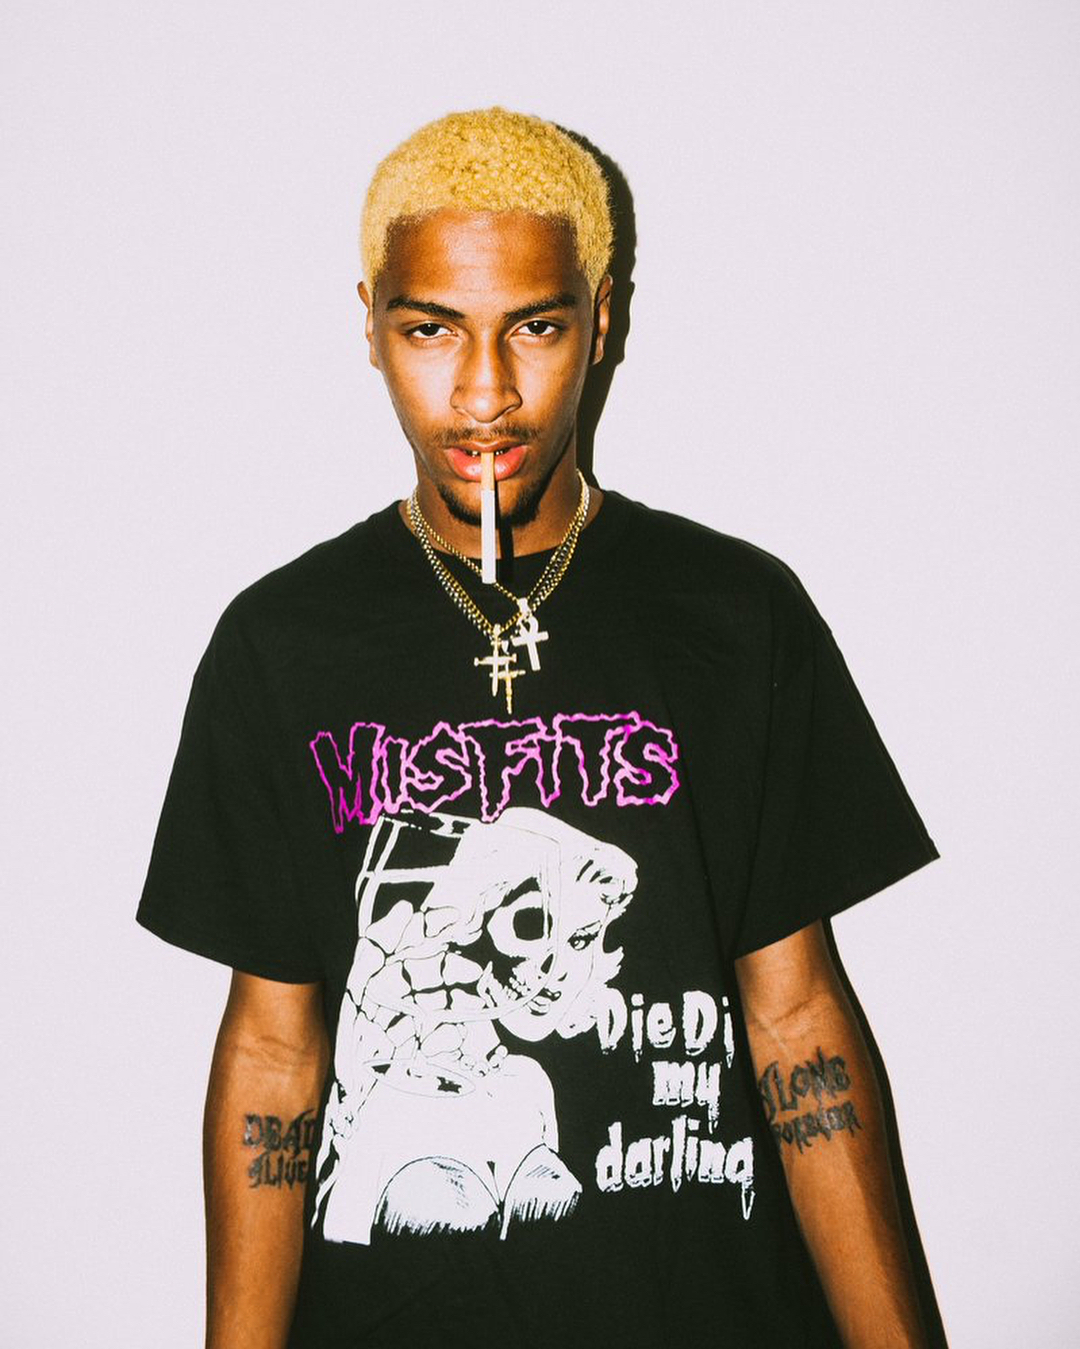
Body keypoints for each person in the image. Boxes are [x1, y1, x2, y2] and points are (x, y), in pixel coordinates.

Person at [138, 106, 941, 1349]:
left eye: (535, 326)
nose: (485, 391)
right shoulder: (281, 642)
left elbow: (797, 1022)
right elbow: (273, 1051)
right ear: (370, 324)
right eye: (431, 329)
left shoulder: (737, 615)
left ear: (601, 320)